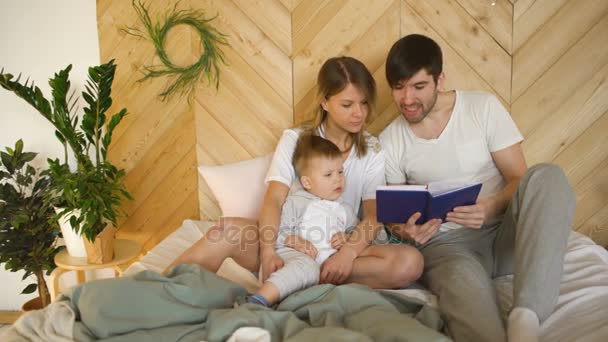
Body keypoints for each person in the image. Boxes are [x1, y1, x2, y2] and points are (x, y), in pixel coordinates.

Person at [378, 34, 576, 342]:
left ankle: (527, 315)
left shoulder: (482, 107)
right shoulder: (391, 139)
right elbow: (395, 213)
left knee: (547, 175)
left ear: (439, 79)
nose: (407, 99)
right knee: (477, 323)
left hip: (506, 234)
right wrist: (406, 231)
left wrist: (491, 206)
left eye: (418, 86)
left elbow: (518, 177)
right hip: (447, 248)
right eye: (398, 87)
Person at [166, 56, 423, 293]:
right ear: (325, 101)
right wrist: (268, 253)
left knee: (409, 262)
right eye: (347, 104)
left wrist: (348, 254)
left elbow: (372, 215)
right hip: (287, 242)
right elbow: (274, 200)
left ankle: (306, 276)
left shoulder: (372, 149)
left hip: (335, 245)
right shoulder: (296, 139)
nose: (359, 113)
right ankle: (158, 287)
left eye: (364, 103)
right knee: (225, 230)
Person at [246, 134, 359, 307]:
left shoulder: (345, 210)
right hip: (293, 254)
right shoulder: (297, 202)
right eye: (328, 174)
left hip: (325, 263)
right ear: (307, 182)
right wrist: (291, 239)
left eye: (340, 172)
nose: (338, 179)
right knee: (307, 267)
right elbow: (279, 230)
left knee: (313, 271)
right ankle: (259, 300)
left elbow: (360, 232)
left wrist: (348, 238)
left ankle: (291, 291)